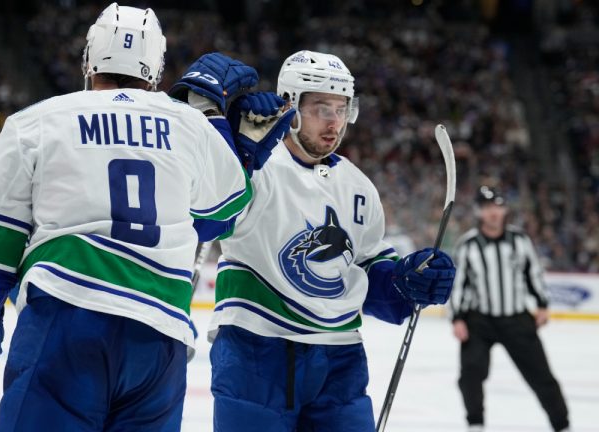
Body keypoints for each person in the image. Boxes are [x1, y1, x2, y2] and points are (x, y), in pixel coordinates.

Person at [0, 3, 291, 431]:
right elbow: (220, 217)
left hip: (66, 319)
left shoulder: (34, 123)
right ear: (156, 68)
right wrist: (219, 126)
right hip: (160, 338)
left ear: (89, 59)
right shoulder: (190, 125)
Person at [206, 50, 457, 431]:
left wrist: (407, 281)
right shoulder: (257, 168)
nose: (334, 122)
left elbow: (368, 275)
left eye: (342, 109)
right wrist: (232, 155)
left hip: (340, 361)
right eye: (322, 108)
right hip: (256, 351)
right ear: (290, 105)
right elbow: (209, 221)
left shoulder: (359, 188)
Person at [450, 185, 570, 432]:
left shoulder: (519, 240)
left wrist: (543, 304)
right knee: (470, 374)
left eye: (498, 206)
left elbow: (533, 274)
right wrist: (457, 319)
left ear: (505, 210)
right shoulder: (468, 244)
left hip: (516, 319)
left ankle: (562, 426)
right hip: (479, 320)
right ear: (479, 212)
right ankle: (476, 424)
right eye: (487, 208)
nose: (493, 212)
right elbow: (460, 284)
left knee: (542, 376)